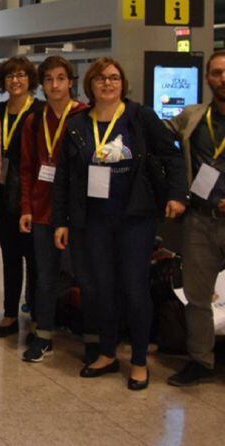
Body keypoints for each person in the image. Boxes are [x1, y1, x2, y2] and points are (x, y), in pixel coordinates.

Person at [53, 57, 186, 390]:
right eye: (100, 79)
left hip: (134, 218)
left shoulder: (140, 118)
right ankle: (108, 352)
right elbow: (65, 178)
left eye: (114, 78)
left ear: (123, 83)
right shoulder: (78, 124)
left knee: (134, 288)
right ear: (90, 85)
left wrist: (177, 194)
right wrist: (62, 221)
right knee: (100, 290)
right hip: (93, 220)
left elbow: (172, 155)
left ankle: (139, 360)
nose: (108, 84)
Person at [18, 56, 93, 363]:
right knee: (45, 275)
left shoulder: (85, 116)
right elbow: (26, 167)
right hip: (43, 209)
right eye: (48, 80)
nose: (55, 85)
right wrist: (26, 207)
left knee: (86, 276)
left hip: (79, 212)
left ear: (71, 82)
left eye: (60, 78)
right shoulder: (36, 120)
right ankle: (44, 335)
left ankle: (94, 337)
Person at [166, 51, 225, 387]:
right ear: (207, 78)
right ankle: (201, 360)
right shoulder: (193, 115)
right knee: (198, 297)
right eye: (216, 73)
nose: (223, 79)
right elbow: (159, 133)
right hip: (201, 219)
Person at [0, 56, 40, 339]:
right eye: (11, 76)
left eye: (21, 75)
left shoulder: (41, 112)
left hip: (31, 195)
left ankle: (35, 316)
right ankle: (10, 314)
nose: (16, 80)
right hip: (2, 194)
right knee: (10, 257)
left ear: (30, 79)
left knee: (34, 259)